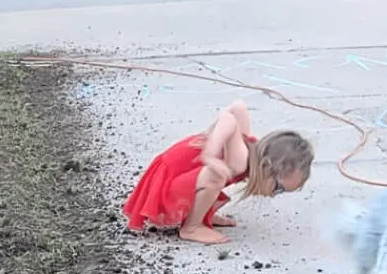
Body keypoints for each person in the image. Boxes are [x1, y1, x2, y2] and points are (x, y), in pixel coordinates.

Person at [123, 102, 313, 245]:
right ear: (266, 165)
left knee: (216, 174)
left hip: (169, 175)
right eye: (278, 188)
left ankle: (201, 214)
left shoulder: (246, 148)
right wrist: (210, 155)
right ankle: (192, 227)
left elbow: (238, 107)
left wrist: (210, 133)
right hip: (164, 184)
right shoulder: (241, 159)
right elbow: (228, 119)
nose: (273, 195)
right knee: (215, 176)